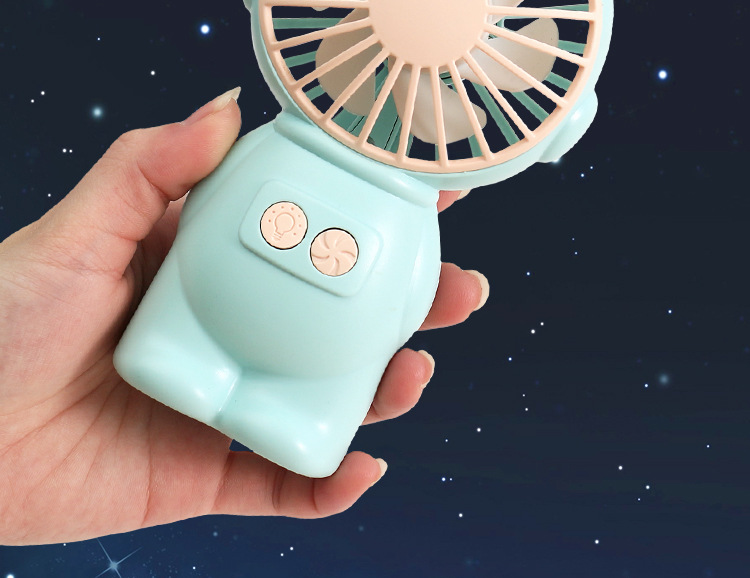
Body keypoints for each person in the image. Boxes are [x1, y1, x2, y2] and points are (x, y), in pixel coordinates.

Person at [0, 88, 489, 545]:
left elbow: (201, 207)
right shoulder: (316, 161)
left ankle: (293, 411)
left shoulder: (384, 197)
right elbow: (409, 305)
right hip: (196, 314)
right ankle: (220, 375)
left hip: (292, 353)